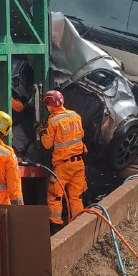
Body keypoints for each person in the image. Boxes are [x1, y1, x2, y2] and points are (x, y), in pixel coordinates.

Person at [38, 90, 87, 234]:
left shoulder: (53, 121)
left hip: (63, 166)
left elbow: (47, 144)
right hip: (78, 164)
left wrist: (41, 131)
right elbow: (81, 135)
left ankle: (55, 226)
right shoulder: (75, 116)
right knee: (75, 196)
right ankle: (77, 226)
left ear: (50, 105)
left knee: (55, 196)